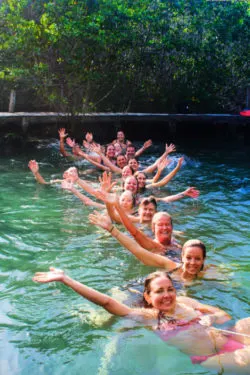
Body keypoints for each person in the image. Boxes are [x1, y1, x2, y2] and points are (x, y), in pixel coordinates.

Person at [33, 268, 250, 373]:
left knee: (247, 323)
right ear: (148, 297)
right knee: (246, 356)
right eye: (159, 292)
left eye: (169, 289)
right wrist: (67, 279)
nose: (166, 295)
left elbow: (225, 315)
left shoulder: (186, 302)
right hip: (210, 356)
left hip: (226, 337)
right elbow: (108, 302)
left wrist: (211, 317)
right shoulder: (150, 316)